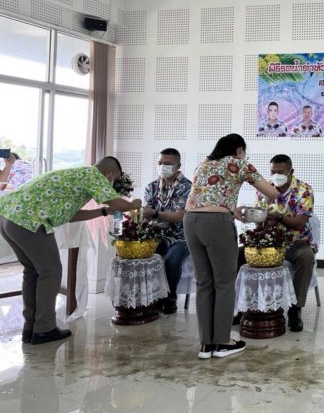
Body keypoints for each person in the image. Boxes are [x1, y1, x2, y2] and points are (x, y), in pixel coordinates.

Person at [0, 157, 141, 345]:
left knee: (33, 271)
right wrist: (133, 204)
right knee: (51, 271)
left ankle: (31, 327)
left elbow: (71, 216)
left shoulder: (77, 174)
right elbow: (117, 203)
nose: (110, 183)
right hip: (28, 219)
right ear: (108, 173)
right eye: (113, 179)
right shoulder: (93, 175)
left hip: (8, 216)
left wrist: (102, 212)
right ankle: (44, 329)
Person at [184, 133, 278, 360]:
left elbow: (211, 198)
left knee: (204, 282)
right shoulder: (239, 162)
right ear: (238, 149)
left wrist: (232, 209)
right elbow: (272, 193)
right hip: (217, 225)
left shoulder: (203, 164)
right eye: (244, 150)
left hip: (190, 222)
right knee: (225, 283)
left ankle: (206, 344)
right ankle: (223, 342)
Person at [239, 154, 315, 331]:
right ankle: (243, 306)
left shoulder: (304, 190)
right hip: (269, 240)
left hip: (295, 241)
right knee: (238, 255)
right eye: (273, 172)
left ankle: (295, 309)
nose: (275, 176)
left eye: (280, 172)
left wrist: (279, 216)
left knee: (306, 257)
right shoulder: (264, 189)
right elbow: (259, 220)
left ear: (291, 171)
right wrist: (250, 216)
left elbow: (299, 222)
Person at [142, 148, 192, 314]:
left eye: (167, 164)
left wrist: (155, 213)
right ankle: (148, 297)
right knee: (143, 256)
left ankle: (169, 298)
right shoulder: (152, 187)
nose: (162, 166)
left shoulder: (187, 187)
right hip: (157, 234)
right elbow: (146, 213)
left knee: (172, 259)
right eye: (160, 163)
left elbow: (179, 217)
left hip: (181, 236)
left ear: (178, 166)